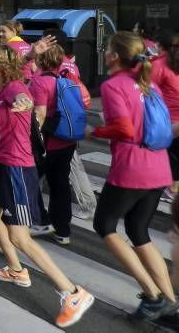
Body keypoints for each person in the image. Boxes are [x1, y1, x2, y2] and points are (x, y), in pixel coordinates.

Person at [0, 43, 94, 328]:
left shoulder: (15, 89)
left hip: (17, 167)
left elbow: (26, 100)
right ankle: (17, 270)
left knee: (20, 237)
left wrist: (26, 105)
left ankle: (73, 292)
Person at [90, 31, 176, 321]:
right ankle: (171, 302)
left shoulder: (113, 86)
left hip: (132, 169)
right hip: (159, 166)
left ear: (114, 56)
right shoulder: (148, 83)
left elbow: (124, 129)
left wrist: (95, 132)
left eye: (107, 49)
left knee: (104, 225)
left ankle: (152, 296)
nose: (104, 52)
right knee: (139, 232)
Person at [31, 44, 78, 245]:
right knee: (60, 184)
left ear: (40, 60)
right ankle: (63, 230)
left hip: (47, 142)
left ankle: (41, 220)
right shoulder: (67, 79)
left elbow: (40, 114)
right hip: (67, 140)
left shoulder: (40, 82)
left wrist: (34, 141)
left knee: (30, 180)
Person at [153, 31, 179, 202]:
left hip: (168, 121)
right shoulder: (160, 64)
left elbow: (145, 89)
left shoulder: (159, 64)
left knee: (168, 155)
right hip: (170, 120)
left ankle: (169, 187)